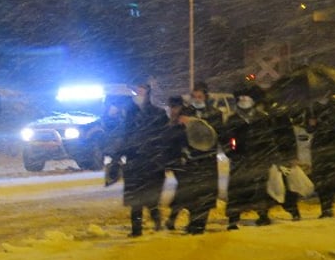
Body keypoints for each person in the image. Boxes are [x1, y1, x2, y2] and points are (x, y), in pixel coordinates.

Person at [106, 79, 173, 236]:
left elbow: (165, 137)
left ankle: (157, 224)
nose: (139, 92)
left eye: (141, 89)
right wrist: (117, 155)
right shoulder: (129, 114)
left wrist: (165, 157)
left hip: (152, 162)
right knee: (135, 199)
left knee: (152, 198)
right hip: (135, 161)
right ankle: (136, 230)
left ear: (148, 91)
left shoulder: (158, 113)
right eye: (136, 89)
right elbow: (124, 136)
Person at [222, 85, 288, 229]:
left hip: (259, 160)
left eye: (247, 97)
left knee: (259, 189)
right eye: (241, 97)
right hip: (239, 161)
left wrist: (271, 156)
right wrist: (232, 153)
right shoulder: (233, 119)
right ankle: (233, 220)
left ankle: (263, 215)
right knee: (237, 190)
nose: (244, 100)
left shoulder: (261, 119)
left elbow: (269, 139)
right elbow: (227, 140)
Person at [167, 82, 224, 232]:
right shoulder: (184, 113)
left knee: (206, 193)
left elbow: (218, 134)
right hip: (190, 160)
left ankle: (199, 225)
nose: (198, 99)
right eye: (195, 96)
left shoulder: (214, 113)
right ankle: (193, 223)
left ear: (206, 96)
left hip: (207, 159)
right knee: (192, 194)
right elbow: (176, 137)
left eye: (200, 96)